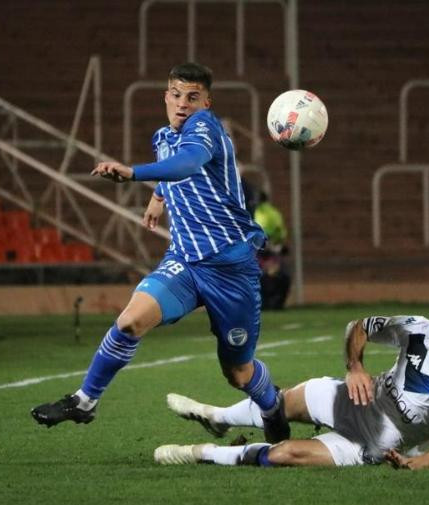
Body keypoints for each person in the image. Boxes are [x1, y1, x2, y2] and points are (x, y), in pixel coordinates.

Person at [31, 62, 290, 443]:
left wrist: (136, 174)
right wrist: (157, 196)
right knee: (130, 321)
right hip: (184, 261)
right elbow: (175, 166)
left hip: (230, 269)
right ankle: (85, 401)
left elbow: (189, 162)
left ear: (206, 101)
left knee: (238, 372)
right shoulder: (164, 136)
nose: (183, 104)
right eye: (176, 95)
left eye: (192, 97)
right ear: (165, 96)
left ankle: (271, 408)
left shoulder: (206, 127)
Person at [154, 295, 429, 470]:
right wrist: (355, 365)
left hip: (378, 440)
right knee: (281, 403)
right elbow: (360, 327)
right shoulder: (419, 328)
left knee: (285, 454)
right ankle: (219, 417)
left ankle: (201, 454)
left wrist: (414, 464)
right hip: (361, 396)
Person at [253, 191, 290, 310]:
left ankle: (265, 303)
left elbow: (262, 232)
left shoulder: (261, 212)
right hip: (275, 249)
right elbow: (281, 231)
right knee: (280, 276)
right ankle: (277, 303)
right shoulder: (274, 213)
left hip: (265, 250)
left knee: (263, 276)